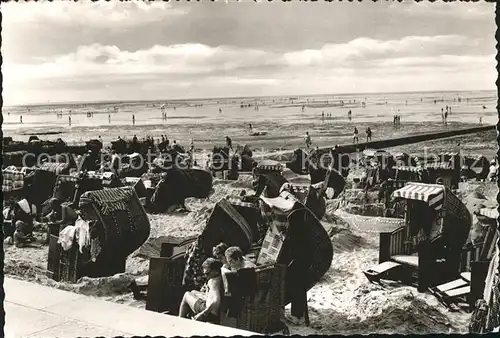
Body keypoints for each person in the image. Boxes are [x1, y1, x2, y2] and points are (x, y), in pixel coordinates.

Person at [178, 258, 223, 324]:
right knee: (193, 292)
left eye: (207, 273)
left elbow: (216, 301)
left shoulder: (213, 282)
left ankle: (180, 320)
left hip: (209, 313)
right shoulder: (220, 277)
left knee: (186, 294)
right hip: (214, 312)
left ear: (215, 271)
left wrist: (203, 314)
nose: (205, 275)